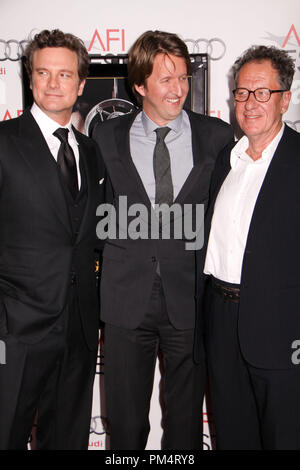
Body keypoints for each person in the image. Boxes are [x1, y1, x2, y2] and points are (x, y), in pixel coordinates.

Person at [93, 30, 234, 450]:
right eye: (166, 80)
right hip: (123, 299)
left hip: (190, 298)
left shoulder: (218, 136)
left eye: (184, 78)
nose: (179, 90)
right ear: (139, 85)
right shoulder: (105, 137)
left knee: (186, 422)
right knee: (123, 424)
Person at [0, 29, 105, 450]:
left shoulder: (90, 150)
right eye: (43, 73)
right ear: (30, 79)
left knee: (68, 438)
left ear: (81, 85)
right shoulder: (5, 143)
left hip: (78, 327)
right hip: (17, 330)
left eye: (65, 75)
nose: (53, 83)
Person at [202, 45, 300, 449]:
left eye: (262, 92)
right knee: (230, 435)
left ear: (285, 99)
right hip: (221, 322)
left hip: (283, 329)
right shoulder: (226, 159)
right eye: (242, 92)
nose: (249, 103)